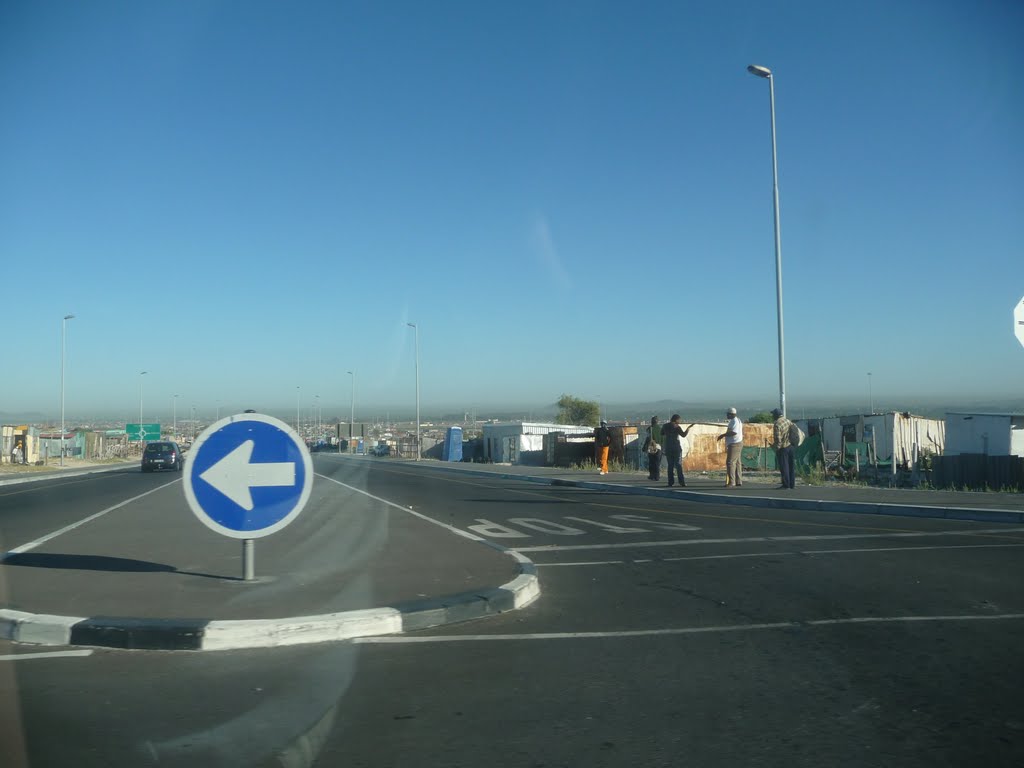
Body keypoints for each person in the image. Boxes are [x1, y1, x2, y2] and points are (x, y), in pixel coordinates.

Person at [661, 414, 693, 488]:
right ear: (676, 420)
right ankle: (682, 482)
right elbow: (683, 435)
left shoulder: (665, 426)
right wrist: (688, 428)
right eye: (679, 420)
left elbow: (662, 433)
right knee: (678, 466)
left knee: (670, 466)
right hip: (676, 448)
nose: (680, 421)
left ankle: (670, 483)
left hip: (668, 448)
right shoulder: (677, 427)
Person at [716, 407, 743, 487]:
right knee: (737, 463)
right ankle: (738, 480)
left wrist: (723, 435)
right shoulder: (736, 420)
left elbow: (734, 432)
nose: (727, 415)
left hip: (734, 444)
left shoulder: (734, 421)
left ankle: (732, 482)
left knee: (730, 463)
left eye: (728, 414)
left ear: (731, 414)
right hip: (737, 443)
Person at [772, 408, 795, 489]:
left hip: (783, 448)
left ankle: (786, 485)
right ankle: (792, 484)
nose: (772, 416)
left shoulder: (777, 424)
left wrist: (777, 448)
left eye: (773, 414)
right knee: (791, 466)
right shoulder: (788, 421)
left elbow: (778, 438)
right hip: (790, 446)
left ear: (776, 415)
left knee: (784, 466)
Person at [642, 416, 662, 481]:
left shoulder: (649, 429)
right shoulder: (660, 429)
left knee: (651, 462)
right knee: (657, 463)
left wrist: (644, 447)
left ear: (652, 421)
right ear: (657, 421)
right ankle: (657, 476)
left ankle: (652, 475)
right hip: (659, 448)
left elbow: (648, 439)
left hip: (651, 448)